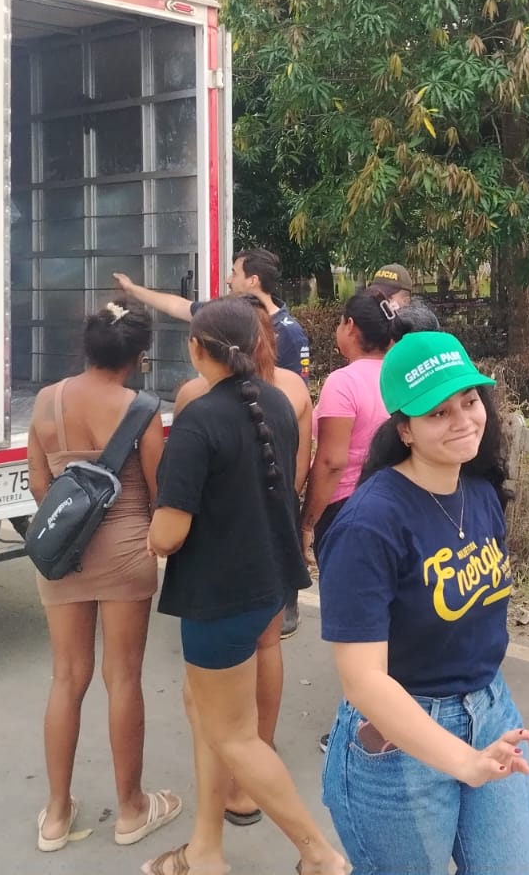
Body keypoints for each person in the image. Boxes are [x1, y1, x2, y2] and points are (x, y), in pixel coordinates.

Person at [317, 331, 529, 875]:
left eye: (469, 401)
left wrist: (478, 743)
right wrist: (464, 761)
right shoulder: (369, 524)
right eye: (438, 413)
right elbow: (363, 681)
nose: (463, 420)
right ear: (405, 429)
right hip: (398, 740)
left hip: (490, 709)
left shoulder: (480, 491)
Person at [143, 298, 347, 875]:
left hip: (220, 596)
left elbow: (169, 533)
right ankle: (205, 850)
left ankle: (320, 856)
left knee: (235, 735)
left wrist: (151, 537)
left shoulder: (198, 419)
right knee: (205, 710)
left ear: (196, 349)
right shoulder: (276, 402)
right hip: (267, 583)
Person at [25, 300, 181, 852]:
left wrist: (72, 529)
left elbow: (39, 484)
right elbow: (161, 492)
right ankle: (131, 809)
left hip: (62, 553)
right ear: (138, 357)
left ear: (86, 346)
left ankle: (56, 814)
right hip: (126, 550)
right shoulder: (141, 409)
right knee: (124, 678)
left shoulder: (46, 401)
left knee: (67, 677)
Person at [169, 294, 313, 833]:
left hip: (220, 580)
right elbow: (296, 472)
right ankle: (212, 833)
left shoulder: (195, 406)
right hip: (272, 557)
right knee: (259, 660)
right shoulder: (286, 395)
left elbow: (171, 522)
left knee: (218, 720)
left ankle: (314, 850)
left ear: (197, 348)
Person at [301, 289, 402, 557]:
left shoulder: (344, 382)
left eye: (340, 322)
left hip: (346, 508)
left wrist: (307, 523)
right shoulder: (402, 378)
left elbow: (331, 462)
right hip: (398, 500)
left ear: (350, 326)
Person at [114, 248, 312, 382]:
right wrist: (131, 289)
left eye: (234, 273)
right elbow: (177, 306)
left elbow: (297, 390)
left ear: (253, 280)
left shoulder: (290, 332)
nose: (228, 280)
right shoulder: (224, 317)